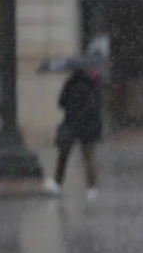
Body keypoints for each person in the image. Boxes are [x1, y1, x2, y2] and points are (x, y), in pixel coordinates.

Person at [44, 68, 103, 199]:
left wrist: (73, 108)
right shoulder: (91, 84)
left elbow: (61, 103)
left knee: (63, 155)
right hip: (87, 126)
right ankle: (91, 188)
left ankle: (58, 183)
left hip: (71, 124)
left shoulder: (70, 84)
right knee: (88, 158)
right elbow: (95, 107)